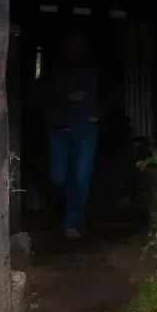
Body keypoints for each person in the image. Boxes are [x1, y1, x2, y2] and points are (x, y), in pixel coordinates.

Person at [44, 23, 100, 238]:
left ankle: (72, 223)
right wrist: (64, 100)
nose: (77, 45)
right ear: (65, 42)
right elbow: (40, 93)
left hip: (85, 127)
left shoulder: (93, 66)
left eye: (81, 41)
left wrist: (97, 112)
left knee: (80, 177)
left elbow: (110, 91)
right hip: (59, 127)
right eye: (73, 40)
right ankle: (73, 217)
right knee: (58, 177)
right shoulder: (54, 66)